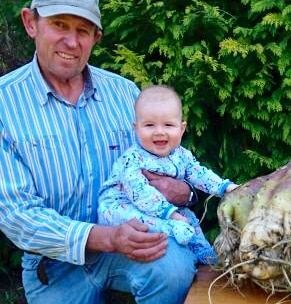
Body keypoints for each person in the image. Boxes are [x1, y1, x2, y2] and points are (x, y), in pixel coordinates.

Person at [0, 1, 201, 303]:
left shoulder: (125, 93)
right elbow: (16, 214)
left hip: (131, 242)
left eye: (83, 30)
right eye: (59, 25)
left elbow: (172, 161)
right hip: (54, 267)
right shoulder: (5, 104)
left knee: (173, 267)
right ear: (30, 23)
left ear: (96, 38)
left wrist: (185, 192)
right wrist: (106, 238)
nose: (71, 41)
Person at [98, 85, 238, 266]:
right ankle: (170, 229)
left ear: (181, 128)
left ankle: (204, 252)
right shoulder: (132, 159)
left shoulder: (181, 154)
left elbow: (199, 173)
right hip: (121, 206)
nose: (159, 132)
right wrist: (171, 215)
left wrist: (225, 188)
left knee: (190, 220)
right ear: (136, 128)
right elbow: (140, 194)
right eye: (149, 125)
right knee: (150, 222)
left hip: (161, 207)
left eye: (168, 125)